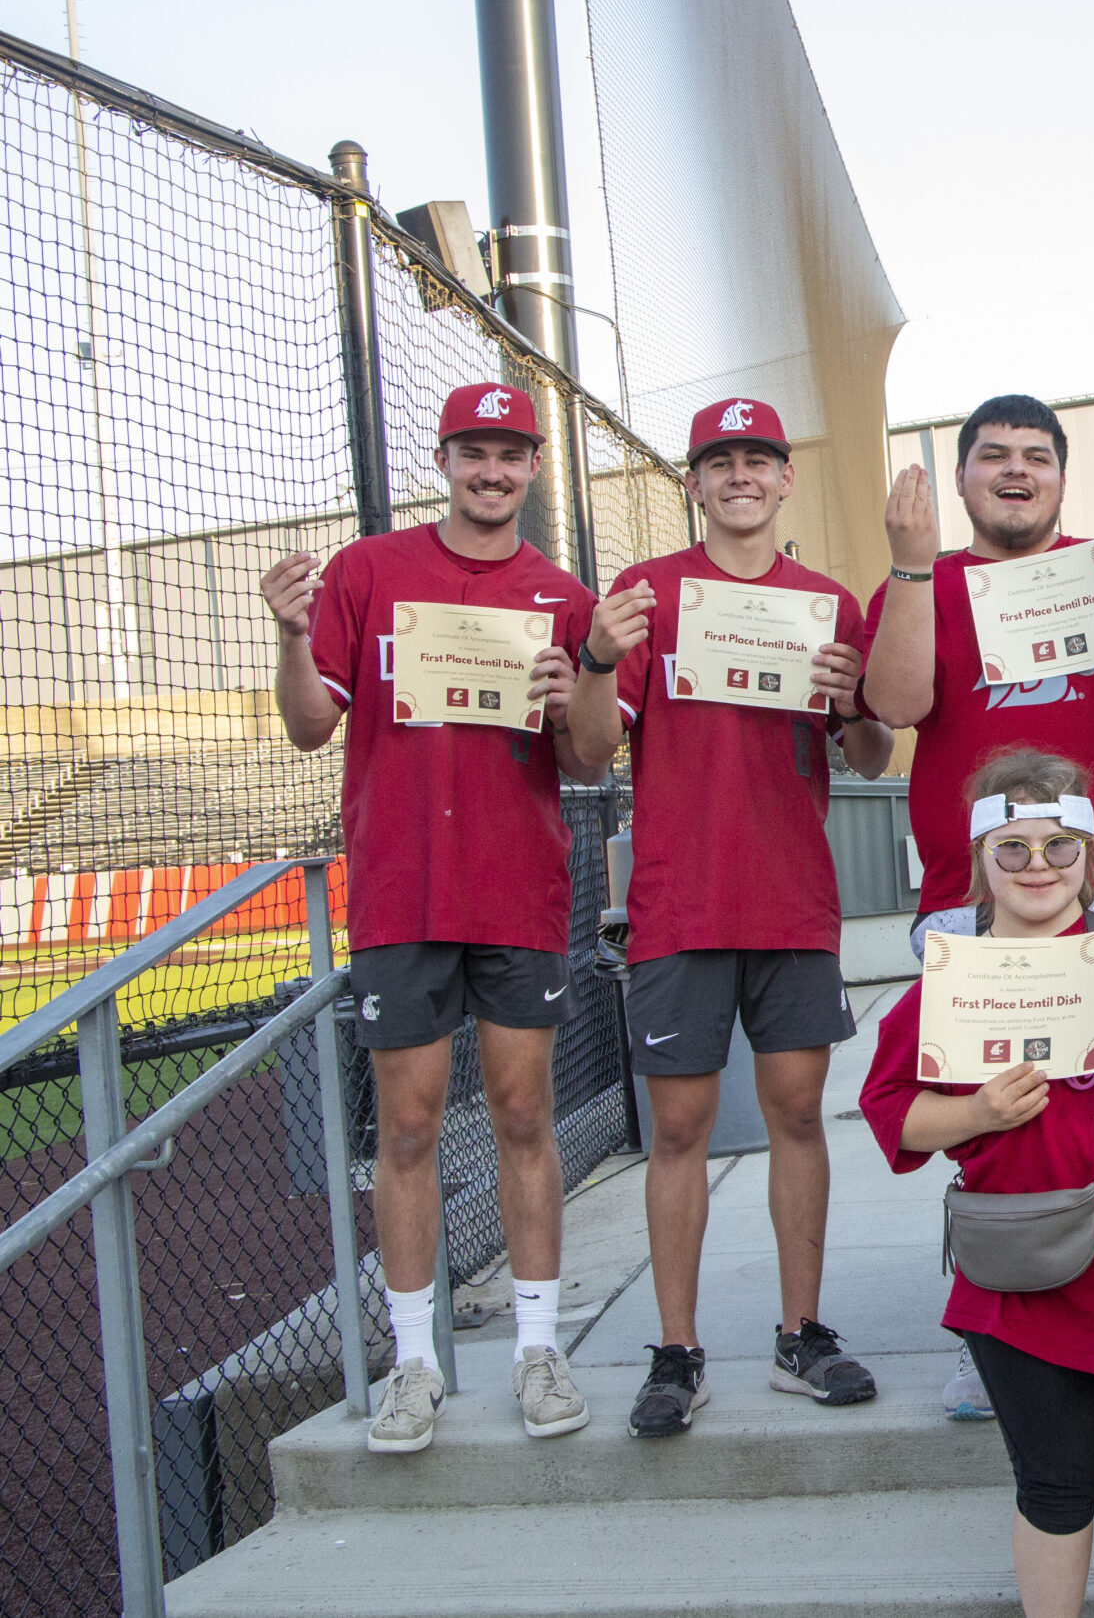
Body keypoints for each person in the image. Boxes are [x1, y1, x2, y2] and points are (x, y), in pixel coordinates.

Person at [858, 392, 1094, 1418]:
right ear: (963, 476)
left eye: (1036, 455)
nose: (1015, 470)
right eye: (993, 455)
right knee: (1004, 1124)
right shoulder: (924, 580)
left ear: (1064, 476)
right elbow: (895, 707)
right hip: (974, 900)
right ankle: (1004, 1324)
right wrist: (907, 566)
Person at [261, 382, 600, 1451]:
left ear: (533, 466)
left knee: (523, 1116)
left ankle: (538, 1348)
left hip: (517, 890)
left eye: (511, 453)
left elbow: (589, 761)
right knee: (405, 1129)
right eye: (474, 451)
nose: (492, 471)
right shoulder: (368, 571)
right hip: (403, 892)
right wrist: (290, 634)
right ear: (444, 459)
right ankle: (414, 1363)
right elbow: (310, 726)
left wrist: (571, 701)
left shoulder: (562, 597)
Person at [564, 396, 895, 1438]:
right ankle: (678, 1349)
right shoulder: (647, 594)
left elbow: (870, 757)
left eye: (758, 460)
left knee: (797, 1116)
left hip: (792, 903)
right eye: (720, 462)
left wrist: (854, 701)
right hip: (681, 901)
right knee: (678, 1129)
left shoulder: (828, 605)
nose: (741, 476)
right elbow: (588, 752)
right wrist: (597, 659)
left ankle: (801, 1335)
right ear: (695, 483)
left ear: (785, 478)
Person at [862, 749, 1094, 1618]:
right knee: (1054, 1489)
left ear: (1089, 853)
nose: (1038, 865)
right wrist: (975, 1113)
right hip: (1024, 1278)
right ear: (980, 857)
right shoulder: (954, 977)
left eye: (1059, 845)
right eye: (1014, 847)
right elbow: (890, 1111)